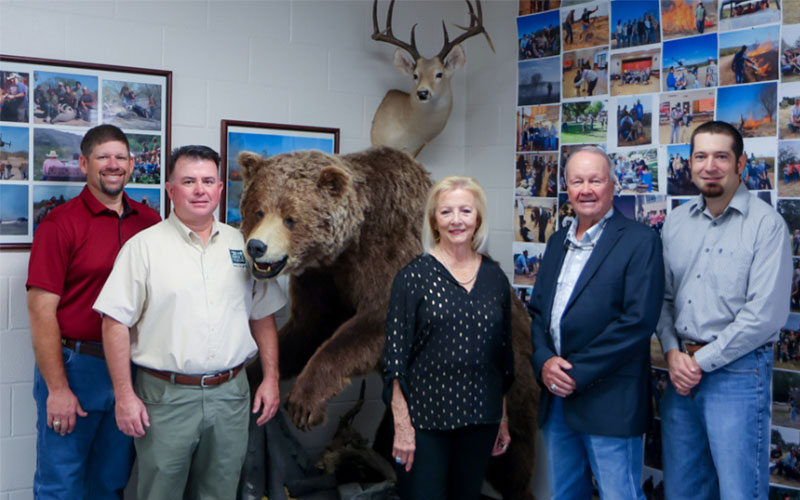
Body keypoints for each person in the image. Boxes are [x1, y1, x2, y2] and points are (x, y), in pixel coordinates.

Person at [93, 145, 286, 499]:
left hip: (230, 395)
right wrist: (124, 395)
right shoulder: (143, 248)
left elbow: (263, 316)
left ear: (220, 189)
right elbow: (114, 322)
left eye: (208, 181)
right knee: (160, 492)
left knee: (221, 492)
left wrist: (271, 379)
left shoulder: (244, 245)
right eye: (189, 181)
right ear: (170, 190)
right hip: (166, 398)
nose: (200, 190)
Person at [656, 121, 792, 500]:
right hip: (681, 369)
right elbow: (663, 298)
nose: (710, 166)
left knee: (739, 492)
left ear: (740, 163)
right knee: (683, 491)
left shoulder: (767, 227)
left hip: (738, 374)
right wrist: (671, 351)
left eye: (721, 156)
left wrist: (699, 363)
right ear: (690, 163)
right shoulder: (676, 222)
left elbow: (764, 316)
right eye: (701, 156)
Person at [26, 125, 161, 499]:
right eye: (103, 157)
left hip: (130, 368)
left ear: (133, 164)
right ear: (84, 163)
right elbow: (41, 313)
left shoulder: (150, 225)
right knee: (61, 485)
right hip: (75, 366)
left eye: (121, 157)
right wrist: (57, 388)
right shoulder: (59, 225)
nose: (113, 165)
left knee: (111, 482)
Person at [529, 146, 664, 500]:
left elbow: (637, 322)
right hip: (557, 400)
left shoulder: (640, 241)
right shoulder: (558, 242)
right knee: (564, 494)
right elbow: (539, 313)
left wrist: (575, 373)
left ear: (612, 185)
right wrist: (544, 362)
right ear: (566, 188)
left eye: (595, 180)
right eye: (577, 181)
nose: (586, 189)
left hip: (610, 402)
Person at [381, 176, 513, 500]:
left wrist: (503, 418)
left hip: (481, 419)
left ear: (477, 218)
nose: (457, 220)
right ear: (434, 220)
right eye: (447, 212)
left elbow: (502, 358)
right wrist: (402, 426)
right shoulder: (412, 278)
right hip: (424, 424)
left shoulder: (495, 278)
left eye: (465, 211)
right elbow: (394, 361)